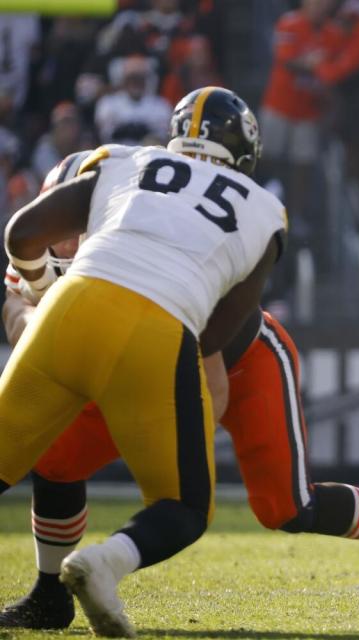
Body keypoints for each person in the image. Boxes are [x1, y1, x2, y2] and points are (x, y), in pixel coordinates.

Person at [0, 153, 359, 630]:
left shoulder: (151, 253)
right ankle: (48, 594)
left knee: (286, 506)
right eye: (60, 229)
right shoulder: (40, 262)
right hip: (142, 362)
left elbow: (207, 372)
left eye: (75, 229)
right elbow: (31, 340)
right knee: (54, 462)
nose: (68, 242)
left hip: (239, 361)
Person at [0, 86, 285, 637]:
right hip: (159, 328)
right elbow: (210, 340)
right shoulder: (266, 211)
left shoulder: (128, 160)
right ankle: (102, 562)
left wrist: (36, 290)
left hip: (69, 307)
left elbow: (22, 233)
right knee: (183, 508)